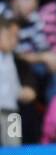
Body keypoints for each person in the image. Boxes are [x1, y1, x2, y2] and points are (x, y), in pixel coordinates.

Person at [0, 17, 40, 146]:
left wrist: (28, 91)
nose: (13, 40)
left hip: (13, 113)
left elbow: (26, 83)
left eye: (15, 36)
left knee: (14, 148)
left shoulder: (17, 61)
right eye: (8, 35)